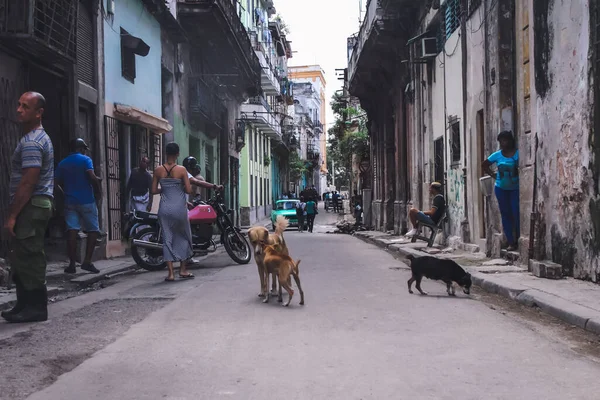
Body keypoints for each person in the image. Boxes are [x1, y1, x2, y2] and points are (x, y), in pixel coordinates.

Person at [2, 92, 54, 323]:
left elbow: (28, 181)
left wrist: (12, 216)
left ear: (38, 113)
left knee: (30, 255)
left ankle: (35, 308)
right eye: (19, 104)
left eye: (25, 106)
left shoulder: (33, 142)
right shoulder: (33, 138)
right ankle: (24, 304)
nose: (19, 110)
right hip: (34, 204)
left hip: (32, 204)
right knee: (22, 254)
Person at [56, 138, 102, 274]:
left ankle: (71, 264)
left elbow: (55, 183)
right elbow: (92, 177)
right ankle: (87, 261)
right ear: (82, 148)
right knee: (93, 230)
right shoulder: (85, 160)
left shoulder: (63, 163)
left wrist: (64, 194)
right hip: (87, 200)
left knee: (72, 231)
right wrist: (98, 192)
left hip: (70, 201)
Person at [151, 143, 194, 282]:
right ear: (177, 154)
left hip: (164, 208)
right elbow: (188, 190)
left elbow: (153, 191)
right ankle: (183, 269)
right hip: (179, 208)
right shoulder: (181, 170)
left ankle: (170, 274)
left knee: (167, 238)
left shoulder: (158, 170)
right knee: (184, 236)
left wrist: (165, 189)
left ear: (166, 153)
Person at [482, 130, 520, 251]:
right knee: (505, 214)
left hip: (515, 189)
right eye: (501, 141)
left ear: (510, 140)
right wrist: (493, 175)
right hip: (501, 189)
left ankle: (519, 239)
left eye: (505, 140)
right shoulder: (497, 155)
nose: (503, 143)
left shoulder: (517, 154)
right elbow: (484, 165)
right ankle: (510, 242)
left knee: (516, 213)